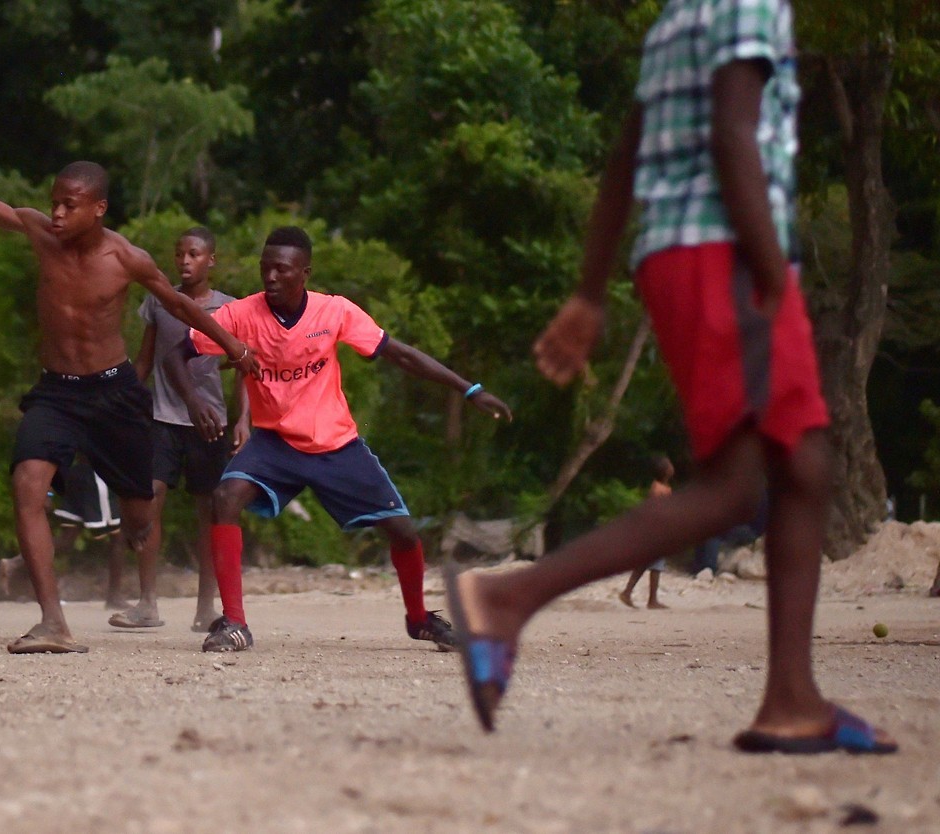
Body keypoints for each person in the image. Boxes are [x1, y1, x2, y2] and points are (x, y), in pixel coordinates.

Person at [445, 0, 898, 754]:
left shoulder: (679, 17)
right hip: (728, 255)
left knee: (803, 461)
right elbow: (732, 133)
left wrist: (591, 293)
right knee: (735, 484)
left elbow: (626, 155)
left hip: (686, 257)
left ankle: (792, 697)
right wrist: (772, 275)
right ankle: (506, 596)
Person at [0, 87, 259, 654]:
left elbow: (181, 307)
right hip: (56, 393)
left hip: (115, 394)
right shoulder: (38, 233)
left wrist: (233, 345)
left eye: (68, 206)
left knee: (139, 523)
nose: (55, 214)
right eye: (53, 202)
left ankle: (132, 536)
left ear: (97, 208)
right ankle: (53, 622)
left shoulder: (126, 258)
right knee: (27, 482)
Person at [182, 226, 512, 653]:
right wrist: (192, 400)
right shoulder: (241, 314)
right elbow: (180, 351)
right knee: (225, 498)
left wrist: (470, 390)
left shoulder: (334, 312)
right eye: (266, 268)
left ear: (305, 272)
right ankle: (234, 623)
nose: (271, 277)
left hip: (335, 445)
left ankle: (419, 619)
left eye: (282, 269)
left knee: (405, 532)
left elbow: (401, 354)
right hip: (274, 442)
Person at [108, 227, 250, 631]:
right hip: (161, 417)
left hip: (210, 423)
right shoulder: (159, 300)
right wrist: (126, 405)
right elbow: (145, 360)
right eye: (179, 254)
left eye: (194, 254)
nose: (185, 261)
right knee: (149, 500)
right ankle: (147, 602)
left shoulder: (230, 308)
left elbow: (244, 369)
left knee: (209, 511)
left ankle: (206, 606)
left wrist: (243, 420)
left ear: (211, 261)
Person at [0, 463, 129, 609]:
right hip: (97, 476)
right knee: (119, 537)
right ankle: (114, 597)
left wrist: (49, 490)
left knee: (67, 539)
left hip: (76, 474)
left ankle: (13, 563)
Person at [619, 455, 674, 609]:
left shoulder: (663, 488)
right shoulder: (659, 489)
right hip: (656, 530)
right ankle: (651, 600)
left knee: (646, 564)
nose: (672, 467)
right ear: (665, 471)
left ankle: (629, 593)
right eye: (669, 465)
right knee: (656, 565)